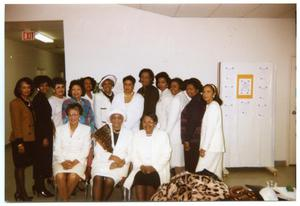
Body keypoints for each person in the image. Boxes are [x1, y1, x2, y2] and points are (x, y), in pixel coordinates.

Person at [124, 114, 171, 201]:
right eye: (144, 122)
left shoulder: (163, 135)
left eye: (150, 122)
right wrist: (141, 166)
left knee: (151, 181)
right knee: (139, 180)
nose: (147, 124)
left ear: (155, 123)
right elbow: (133, 153)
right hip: (140, 168)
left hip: (157, 169)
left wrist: (154, 167)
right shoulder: (137, 135)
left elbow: (166, 154)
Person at [53, 103, 91, 201]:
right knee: (60, 176)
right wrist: (62, 161)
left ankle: (63, 201)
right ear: (67, 115)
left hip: (78, 161)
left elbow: (86, 150)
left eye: (75, 114)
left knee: (73, 176)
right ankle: (66, 201)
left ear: (79, 116)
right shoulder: (59, 129)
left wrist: (74, 162)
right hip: (61, 159)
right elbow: (56, 148)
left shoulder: (86, 129)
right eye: (70, 115)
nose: (72, 117)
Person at [91, 109, 133, 201]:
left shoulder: (129, 133)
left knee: (110, 180)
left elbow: (131, 152)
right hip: (101, 161)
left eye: (119, 118)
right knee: (98, 178)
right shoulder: (104, 130)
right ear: (110, 119)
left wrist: (121, 162)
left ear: (123, 119)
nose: (116, 120)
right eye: (114, 117)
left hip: (120, 164)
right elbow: (97, 151)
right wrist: (112, 157)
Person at [9, 77, 35, 201]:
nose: (26, 90)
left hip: (29, 139)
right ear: (19, 89)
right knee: (19, 167)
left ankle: (19, 193)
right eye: (23, 87)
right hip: (20, 140)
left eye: (28, 87)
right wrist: (19, 143)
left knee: (23, 166)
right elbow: (16, 124)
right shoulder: (15, 103)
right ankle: (22, 194)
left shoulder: (29, 101)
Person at [196, 84, 225, 179]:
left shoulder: (213, 107)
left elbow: (210, 130)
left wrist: (204, 148)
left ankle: (207, 192)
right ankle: (215, 192)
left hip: (212, 147)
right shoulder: (210, 106)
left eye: (208, 92)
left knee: (203, 172)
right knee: (213, 174)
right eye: (203, 92)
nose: (205, 94)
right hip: (213, 147)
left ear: (214, 94)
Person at [32, 75, 54, 198]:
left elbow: (46, 119)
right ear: (38, 87)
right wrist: (44, 138)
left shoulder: (42, 97)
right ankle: (40, 188)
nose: (45, 87)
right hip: (42, 136)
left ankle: (37, 185)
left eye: (46, 85)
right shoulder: (38, 99)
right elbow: (40, 121)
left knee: (42, 161)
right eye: (42, 85)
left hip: (45, 134)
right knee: (41, 162)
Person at [181, 78, 206, 173]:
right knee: (194, 165)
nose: (188, 91)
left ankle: (192, 186)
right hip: (195, 139)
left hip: (193, 140)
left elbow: (193, 122)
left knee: (191, 166)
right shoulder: (197, 100)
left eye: (191, 89)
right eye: (187, 89)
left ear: (197, 89)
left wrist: (186, 140)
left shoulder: (196, 102)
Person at [166, 78, 189, 175]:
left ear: (180, 86)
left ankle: (180, 186)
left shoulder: (176, 99)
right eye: (171, 86)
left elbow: (172, 120)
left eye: (175, 86)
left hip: (174, 135)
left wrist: (165, 134)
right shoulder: (184, 97)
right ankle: (183, 185)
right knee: (180, 161)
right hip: (181, 134)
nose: (172, 88)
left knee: (177, 162)